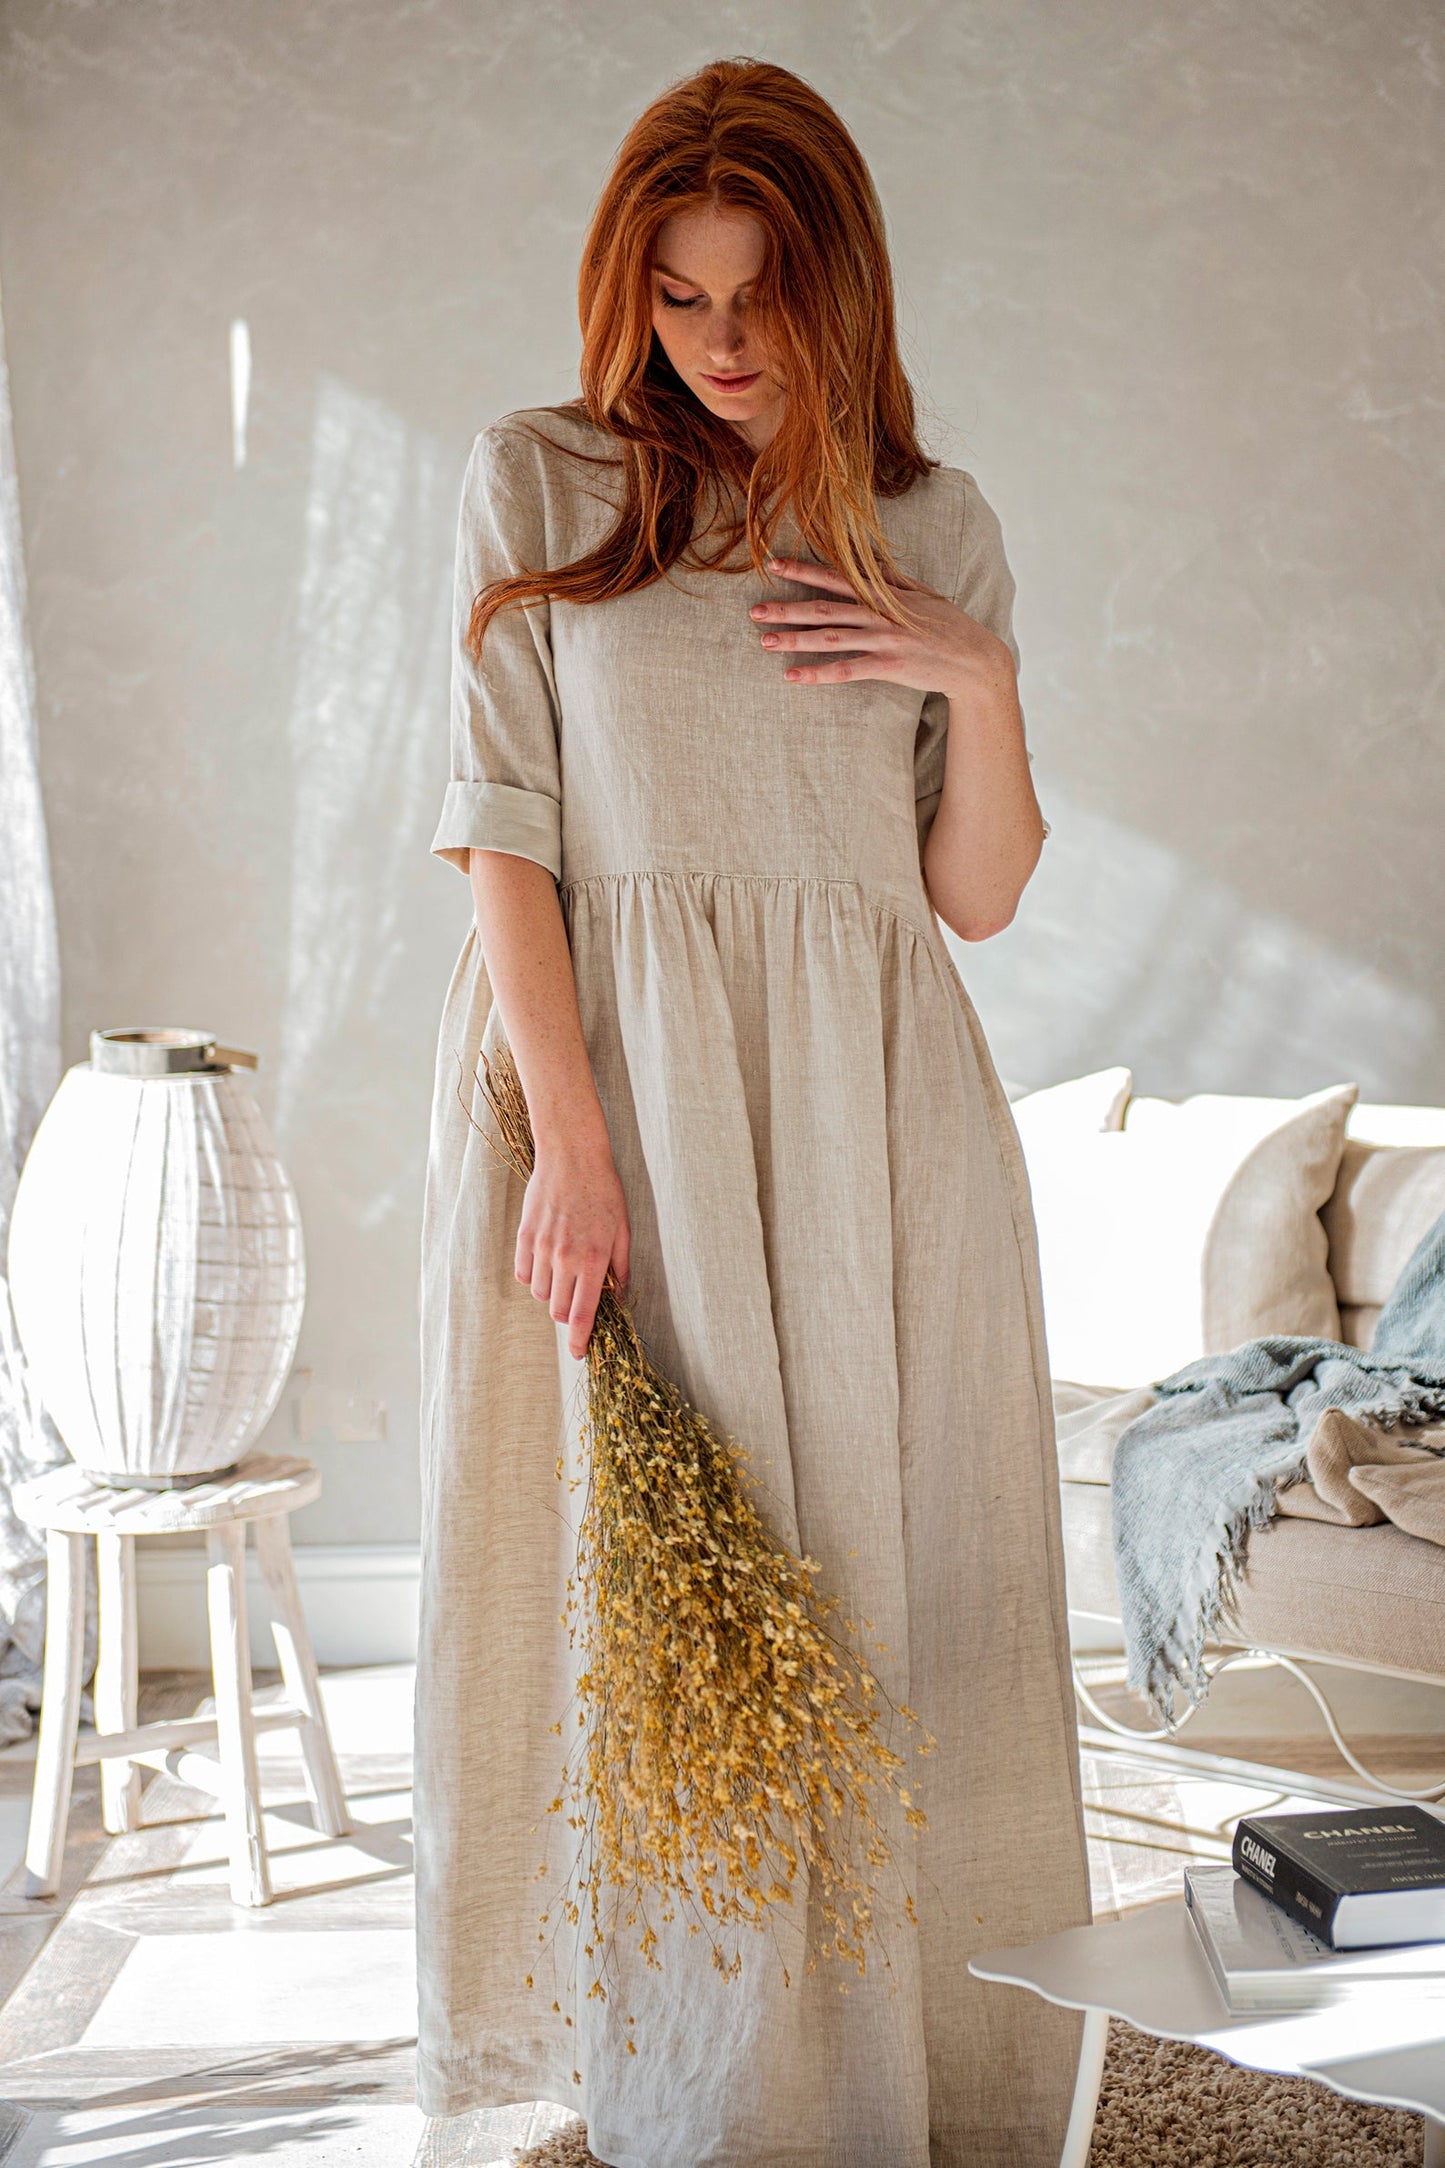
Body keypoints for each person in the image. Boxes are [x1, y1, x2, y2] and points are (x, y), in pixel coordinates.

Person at [415, 54, 1090, 2168]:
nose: (721, 342)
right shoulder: (540, 487)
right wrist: (579, 1142)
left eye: (761, 298)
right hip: (619, 1107)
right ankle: (697, 2100)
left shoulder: (934, 524)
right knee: (663, 1631)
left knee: (883, 1593)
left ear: (840, 291)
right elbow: (503, 837)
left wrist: (973, 675)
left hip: (877, 1130)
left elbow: (969, 891)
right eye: (682, 295)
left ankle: (896, 2087)